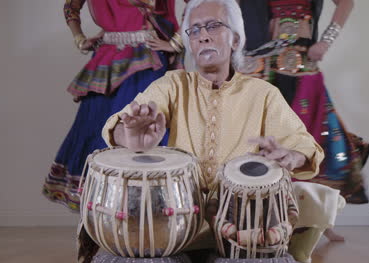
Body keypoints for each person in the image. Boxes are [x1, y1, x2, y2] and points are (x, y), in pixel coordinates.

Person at [97, 0, 345, 262]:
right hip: (178, 218)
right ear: (190, 43)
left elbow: (302, 144)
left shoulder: (262, 93)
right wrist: (130, 136)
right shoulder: (174, 84)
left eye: (213, 26)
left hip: (244, 223)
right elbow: (123, 123)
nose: (203, 36)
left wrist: (291, 156)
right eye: (194, 31)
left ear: (236, 40)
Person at [237, 0, 369, 242]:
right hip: (261, 67)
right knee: (262, 145)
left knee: (316, 140)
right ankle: (269, 222)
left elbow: (346, 3)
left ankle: (317, 219)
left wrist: (326, 42)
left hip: (301, 67)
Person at [42, 0, 185, 212]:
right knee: (97, 135)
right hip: (108, 62)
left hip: (147, 62)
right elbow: (71, 5)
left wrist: (176, 42)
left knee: (147, 134)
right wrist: (79, 38)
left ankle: (149, 218)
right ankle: (100, 220)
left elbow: (199, 4)